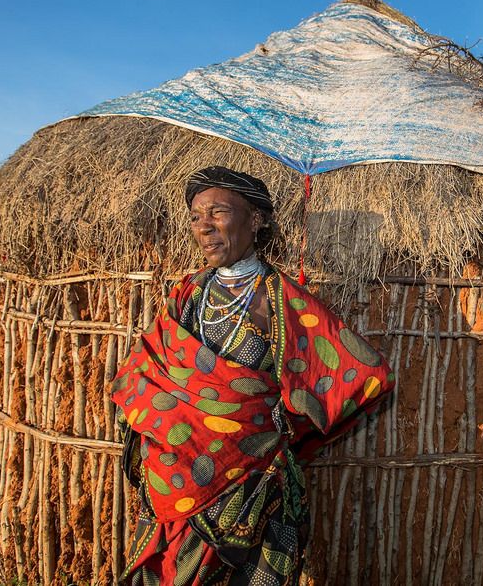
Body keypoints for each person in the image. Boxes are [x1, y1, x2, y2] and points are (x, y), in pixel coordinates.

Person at [111, 166, 394, 585]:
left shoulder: (281, 301)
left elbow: (365, 375)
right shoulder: (187, 294)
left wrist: (286, 427)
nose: (204, 227)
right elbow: (143, 371)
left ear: (256, 219)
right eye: (195, 216)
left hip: (252, 488)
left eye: (218, 212)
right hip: (174, 478)